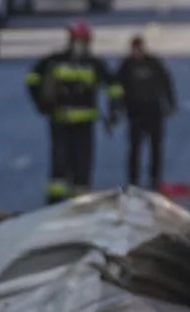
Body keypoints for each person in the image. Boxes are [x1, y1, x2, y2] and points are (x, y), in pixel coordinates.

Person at [26, 22, 123, 202]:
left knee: (82, 166)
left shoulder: (94, 63)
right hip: (60, 120)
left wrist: (114, 111)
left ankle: (80, 203)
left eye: (82, 41)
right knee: (60, 163)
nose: (80, 45)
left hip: (84, 123)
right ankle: (56, 203)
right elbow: (32, 78)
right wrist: (41, 103)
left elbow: (113, 87)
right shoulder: (55, 60)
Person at [114, 34, 177, 190]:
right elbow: (117, 88)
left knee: (156, 147)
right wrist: (116, 109)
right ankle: (133, 180)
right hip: (135, 112)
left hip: (154, 111)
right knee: (135, 147)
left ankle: (155, 178)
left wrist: (170, 103)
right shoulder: (127, 65)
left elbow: (166, 82)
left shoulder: (153, 63)